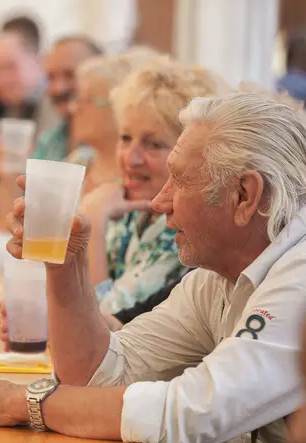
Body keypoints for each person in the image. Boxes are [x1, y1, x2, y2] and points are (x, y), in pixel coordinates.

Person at [0, 92, 306, 443]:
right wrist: (66, 263)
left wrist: (25, 401)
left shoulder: (296, 279)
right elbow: (101, 376)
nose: (159, 201)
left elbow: (188, 413)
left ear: (244, 195)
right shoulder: (215, 279)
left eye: (180, 181)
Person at [79, 58, 226, 316]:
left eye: (153, 144)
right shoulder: (130, 210)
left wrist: (92, 221)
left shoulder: (184, 234)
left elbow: (98, 326)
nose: (130, 158)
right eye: (125, 138)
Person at [68, 46, 159, 194]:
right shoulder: (79, 161)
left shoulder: (138, 180)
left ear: (118, 106)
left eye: (85, 99)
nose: (73, 108)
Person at [31, 35, 102, 164]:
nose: (58, 88)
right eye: (51, 77)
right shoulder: (49, 141)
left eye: (70, 75)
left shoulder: (111, 147)